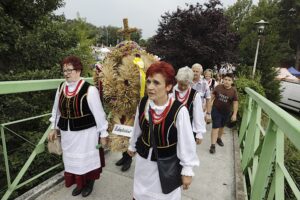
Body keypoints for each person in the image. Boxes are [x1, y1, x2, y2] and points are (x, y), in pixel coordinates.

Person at [127, 61, 199, 200]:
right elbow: (137, 127)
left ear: (168, 86)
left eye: (156, 83)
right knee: (141, 194)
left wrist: (187, 170)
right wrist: (132, 144)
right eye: (148, 82)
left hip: (166, 165)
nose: (150, 87)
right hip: (143, 163)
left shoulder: (179, 110)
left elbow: (186, 142)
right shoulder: (143, 103)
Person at [48, 56, 108, 197]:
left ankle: (89, 183)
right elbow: (56, 110)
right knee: (72, 160)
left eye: (70, 70)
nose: (66, 73)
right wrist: (53, 127)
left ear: (78, 71)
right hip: (67, 133)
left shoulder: (90, 90)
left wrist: (103, 133)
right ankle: (80, 184)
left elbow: (99, 114)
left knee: (86, 160)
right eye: (64, 70)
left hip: (86, 134)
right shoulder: (61, 87)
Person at [173, 66, 206, 144]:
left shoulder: (195, 95)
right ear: (177, 80)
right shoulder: (172, 91)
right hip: (173, 126)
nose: (183, 87)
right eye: (181, 84)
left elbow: (198, 114)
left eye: (186, 85)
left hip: (188, 128)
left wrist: (199, 133)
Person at [207, 73, 238, 154]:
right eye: (225, 79)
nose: (227, 81)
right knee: (215, 127)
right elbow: (211, 97)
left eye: (229, 80)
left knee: (221, 127)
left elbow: (235, 103)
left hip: (226, 112)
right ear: (223, 80)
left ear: (232, 82)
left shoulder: (233, 91)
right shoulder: (218, 87)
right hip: (216, 110)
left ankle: (219, 138)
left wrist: (234, 114)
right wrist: (208, 109)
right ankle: (212, 145)